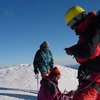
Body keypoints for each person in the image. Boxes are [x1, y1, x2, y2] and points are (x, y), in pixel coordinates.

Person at [64, 6, 100, 100]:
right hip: (93, 80)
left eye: (72, 24)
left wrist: (73, 51)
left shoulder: (93, 26)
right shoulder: (88, 29)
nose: (73, 28)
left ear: (78, 18)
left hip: (92, 81)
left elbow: (89, 51)